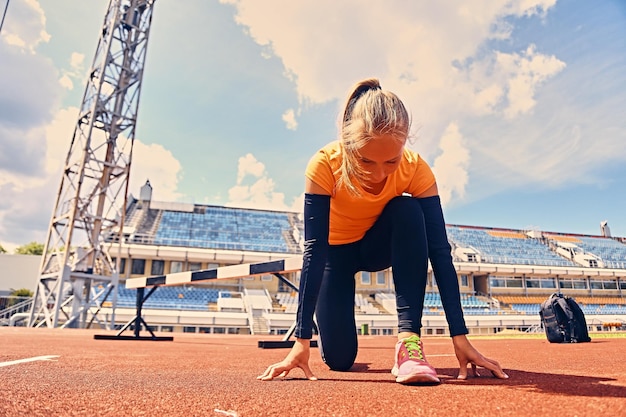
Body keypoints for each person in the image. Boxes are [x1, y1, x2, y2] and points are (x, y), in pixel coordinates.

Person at [257, 78, 508, 384]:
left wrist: (460, 335)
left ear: (405, 144)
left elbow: (440, 252)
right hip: (334, 256)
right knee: (339, 360)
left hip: (376, 246)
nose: (379, 174)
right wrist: (301, 339)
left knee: (408, 209)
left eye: (391, 160)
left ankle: (408, 343)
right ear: (349, 144)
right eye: (365, 160)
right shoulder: (325, 165)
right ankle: (332, 339)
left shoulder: (416, 169)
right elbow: (314, 249)